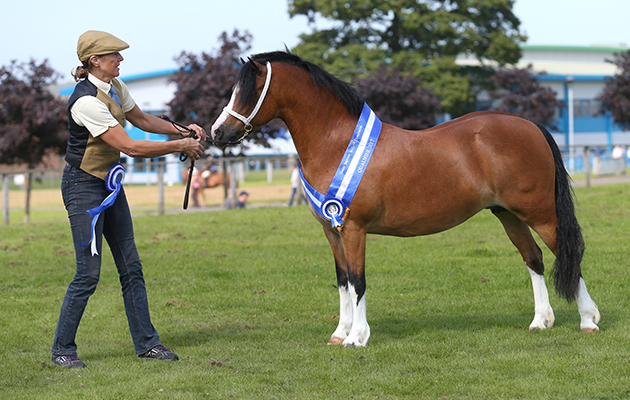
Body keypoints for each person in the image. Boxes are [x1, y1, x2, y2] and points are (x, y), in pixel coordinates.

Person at [50, 30, 206, 369]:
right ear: (95, 61)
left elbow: (143, 120)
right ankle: (62, 349)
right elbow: (130, 145)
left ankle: (148, 345)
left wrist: (183, 130)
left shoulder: (116, 88)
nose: (120, 59)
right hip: (83, 188)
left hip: (109, 185)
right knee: (88, 275)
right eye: (114, 55)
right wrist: (180, 146)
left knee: (131, 267)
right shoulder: (86, 101)